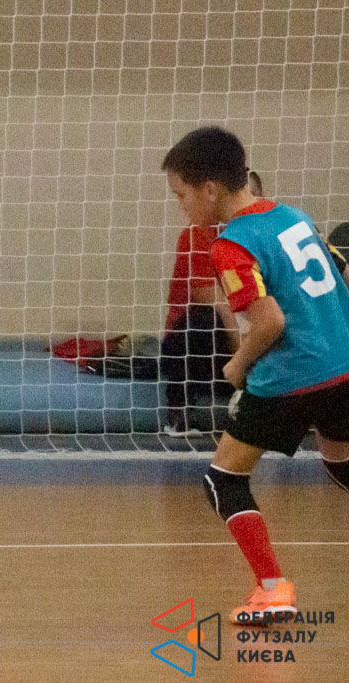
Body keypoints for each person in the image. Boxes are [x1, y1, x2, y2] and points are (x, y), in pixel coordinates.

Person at [162, 126, 349, 625]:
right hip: (342, 367)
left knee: (223, 480)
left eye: (180, 195)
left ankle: (272, 590)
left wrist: (238, 363)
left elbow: (270, 323)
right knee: (341, 465)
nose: (181, 207)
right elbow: (340, 279)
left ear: (209, 189)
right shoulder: (295, 217)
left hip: (290, 377)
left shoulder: (230, 245)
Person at [159, 175, 265, 436]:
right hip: (202, 348)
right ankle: (179, 410)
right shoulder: (198, 235)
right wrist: (244, 362)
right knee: (205, 321)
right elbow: (217, 302)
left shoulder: (262, 236)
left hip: (248, 339)